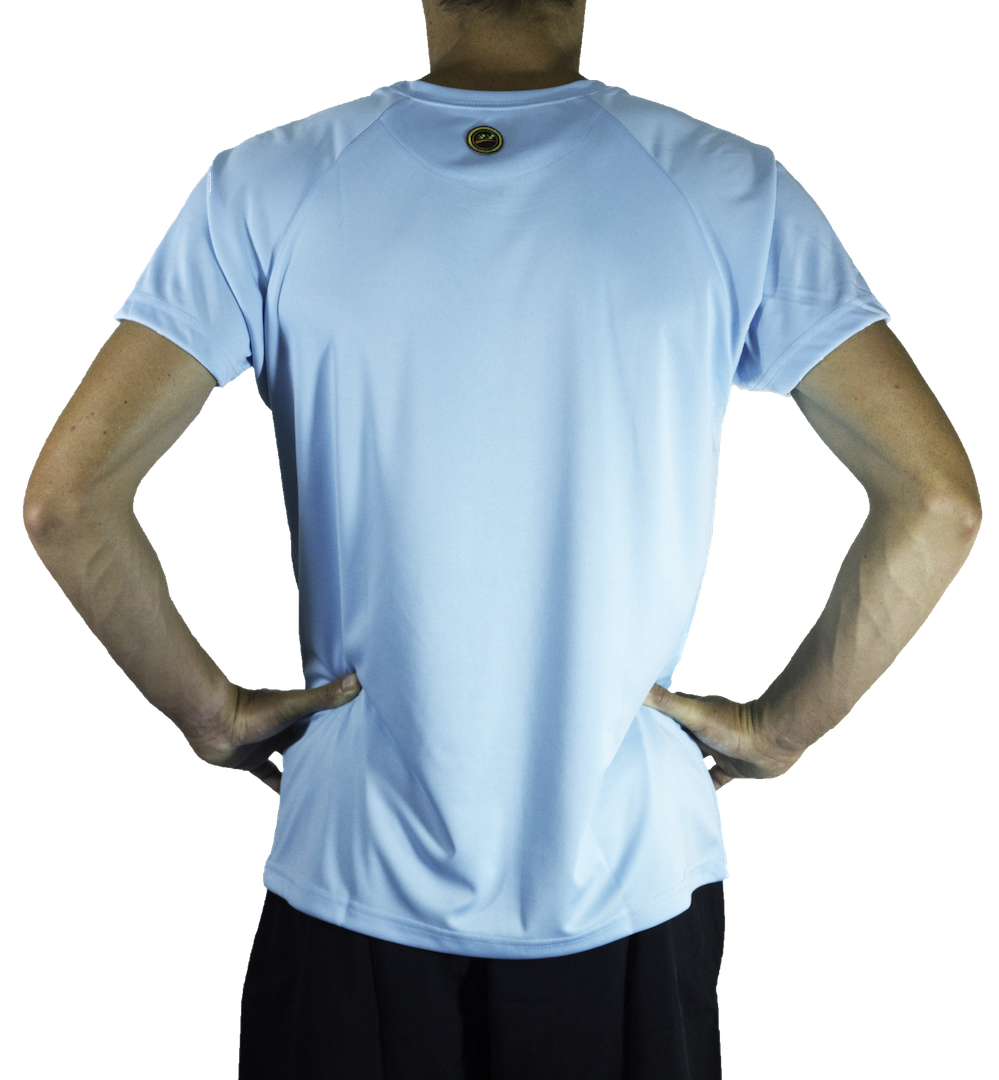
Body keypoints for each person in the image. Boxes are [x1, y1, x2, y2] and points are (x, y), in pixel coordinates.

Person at [21, 1, 983, 1077]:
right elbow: (937, 503)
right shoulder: (729, 184)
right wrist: (780, 730)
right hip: (630, 874)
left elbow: (68, 501)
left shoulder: (269, 181)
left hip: (351, 861)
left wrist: (209, 714)